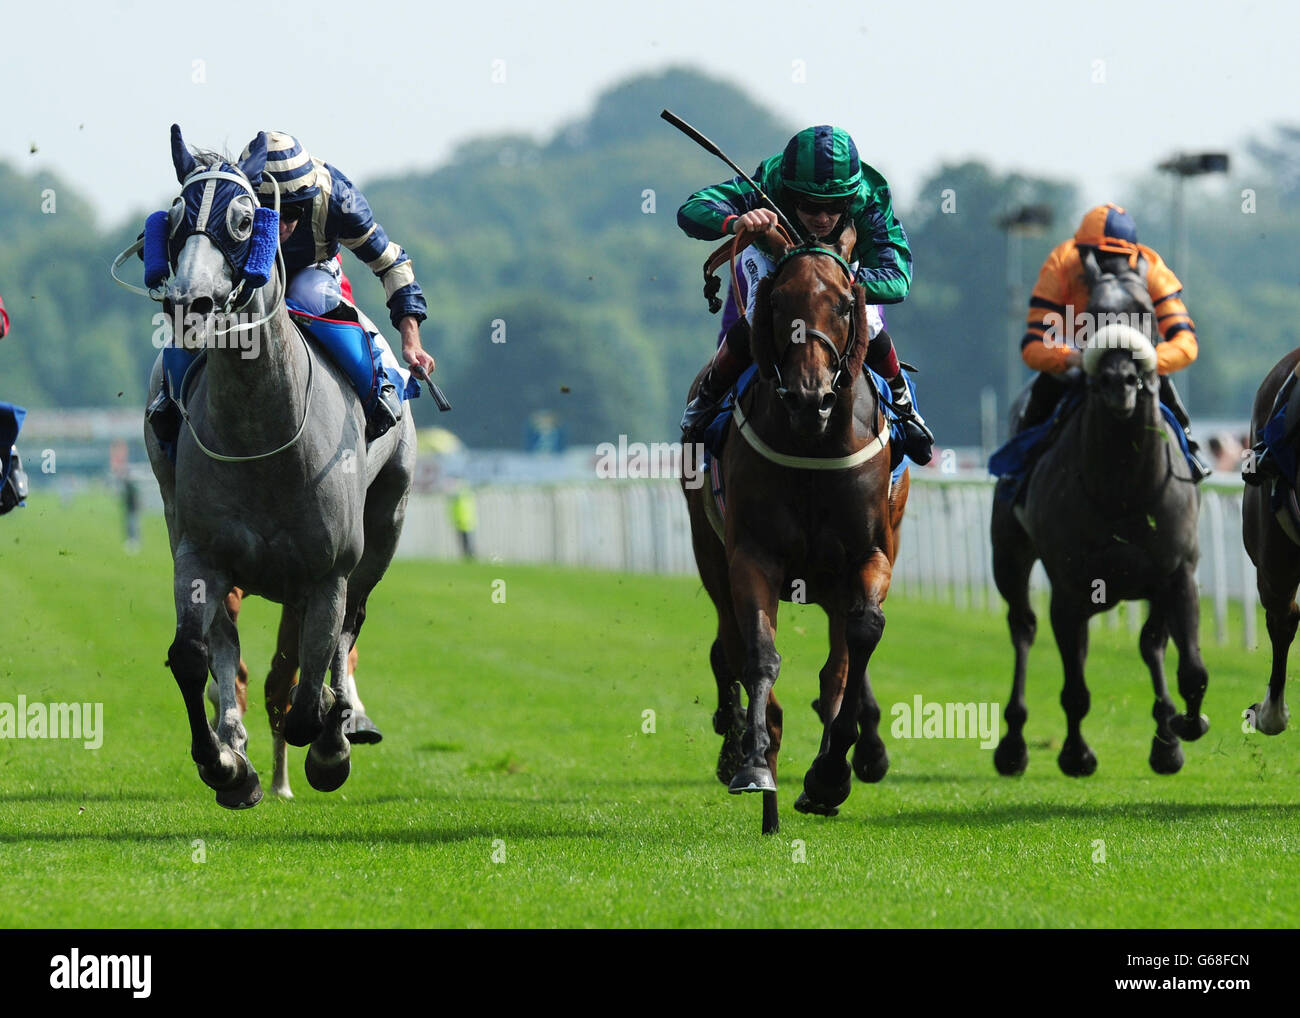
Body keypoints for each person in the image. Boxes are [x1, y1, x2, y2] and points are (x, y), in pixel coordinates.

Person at [148, 132, 436, 443]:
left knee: (309, 293)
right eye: (272, 213)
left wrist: (411, 341)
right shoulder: (230, 195)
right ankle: (171, 398)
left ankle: (379, 385)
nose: (282, 225)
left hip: (313, 270)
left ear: (310, 199)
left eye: (293, 212)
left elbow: (391, 264)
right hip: (250, 278)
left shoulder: (337, 199)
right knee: (193, 311)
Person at [676, 125, 932, 464]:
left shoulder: (869, 199)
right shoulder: (767, 185)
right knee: (757, 317)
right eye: (810, 206)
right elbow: (691, 210)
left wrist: (837, 284)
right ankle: (705, 401)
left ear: (851, 197)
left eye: (835, 206)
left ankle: (904, 405)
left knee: (869, 323)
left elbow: (897, 279)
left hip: (842, 272)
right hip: (773, 261)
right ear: (789, 192)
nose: (823, 218)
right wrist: (736, 222)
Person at [1016, 202, 1210, 480]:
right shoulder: (1061, 263)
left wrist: (1153, 359)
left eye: (1117, 257)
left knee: (1162, 384)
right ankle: (1021, 470)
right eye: (1100, 256)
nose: (1110, 266)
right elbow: (1033, 344)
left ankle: (1189, 450)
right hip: (1077, 354)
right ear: (1080, 252)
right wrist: (1071, 358)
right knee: (1046, 387)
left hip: (1138, 360)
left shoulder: (1152, 269)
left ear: (1133, 254)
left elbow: (1186, 343)